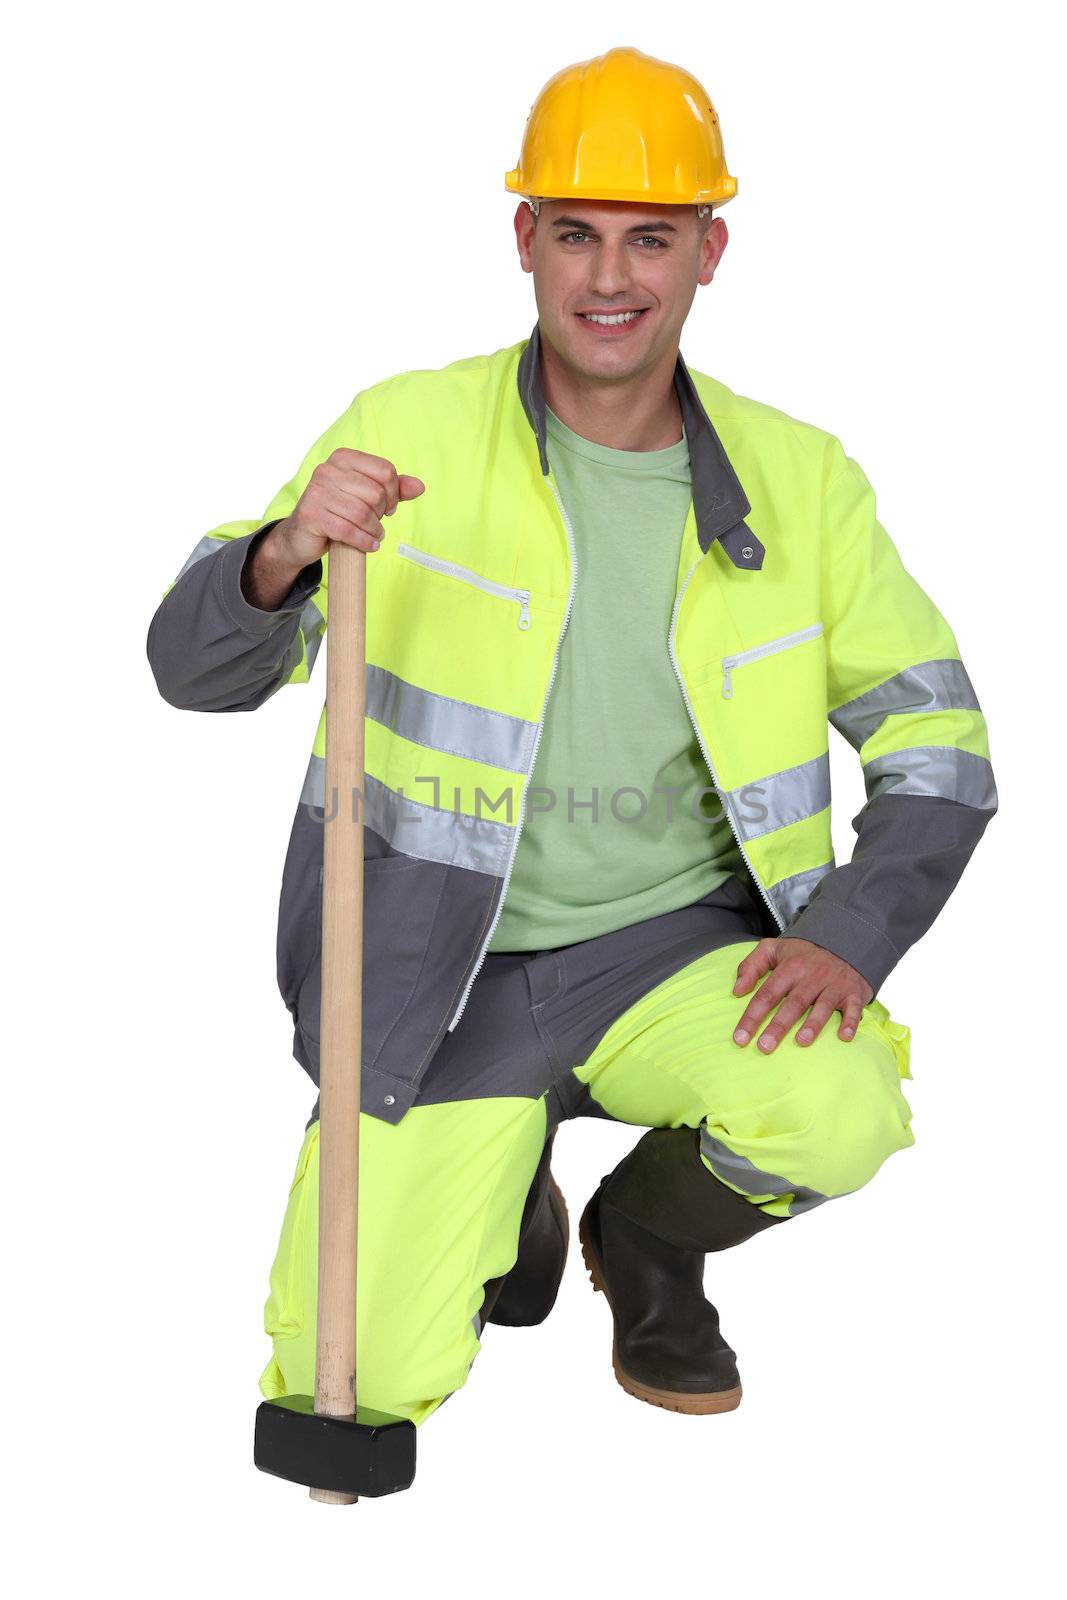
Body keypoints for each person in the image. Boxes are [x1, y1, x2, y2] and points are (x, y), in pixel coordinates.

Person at [146, 46, 996, 1425]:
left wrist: (850, 927)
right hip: (438, 980)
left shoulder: (805, 480)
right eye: (578, 235)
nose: (611, 279)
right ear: (524, 240)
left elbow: (943, 747)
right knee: (344, 1387)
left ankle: (646, 1234)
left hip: (678, 953)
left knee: (840, 1108)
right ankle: (504, 1168)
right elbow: (192, 671)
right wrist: (287, 550)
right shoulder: (407, 430)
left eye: (650, 238)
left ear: (710, 250)